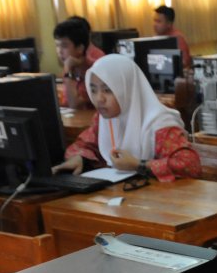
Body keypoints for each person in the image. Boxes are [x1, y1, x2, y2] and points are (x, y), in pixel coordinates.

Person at [52, 54, 200, 181]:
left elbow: (190, 165)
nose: (99, 99)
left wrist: (138, 164)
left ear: (127, 90)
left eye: (107, 90)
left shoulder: (159, 125)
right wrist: (81, 158)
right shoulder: (104, 119)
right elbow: (84, 144)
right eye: (93, 90)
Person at [55, 17, 102, 109]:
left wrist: (68, 69)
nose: (59, 51)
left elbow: (74, 104)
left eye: (64, 46)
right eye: (57, 45)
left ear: (80, 48)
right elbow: (67, 101)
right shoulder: (71, 64)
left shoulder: (94, 69)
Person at [153, 5, 192, 74]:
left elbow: (184, 62)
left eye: (159, 21)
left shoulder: (177, 38)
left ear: (169, 24)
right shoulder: (156, 38)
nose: (155, 24)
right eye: (154, 21)